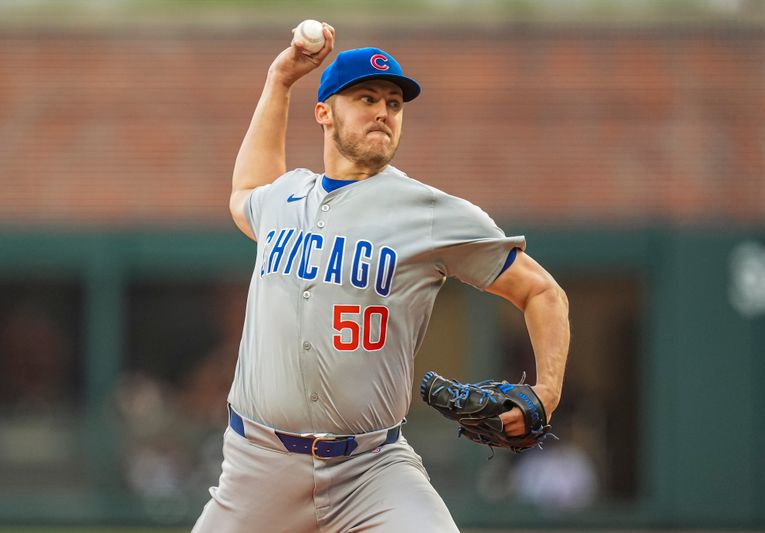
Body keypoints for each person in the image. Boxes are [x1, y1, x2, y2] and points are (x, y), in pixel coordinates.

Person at [193, 23, 570, 532]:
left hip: (371, 469)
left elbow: (541, 290)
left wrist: (546, 392)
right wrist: (280, 81)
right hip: (257, 467)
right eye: (365, 98)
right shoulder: (284, 198)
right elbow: (247, 189)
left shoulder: (429, 211)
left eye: (394, 103)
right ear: (324, 113)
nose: (382, 112)